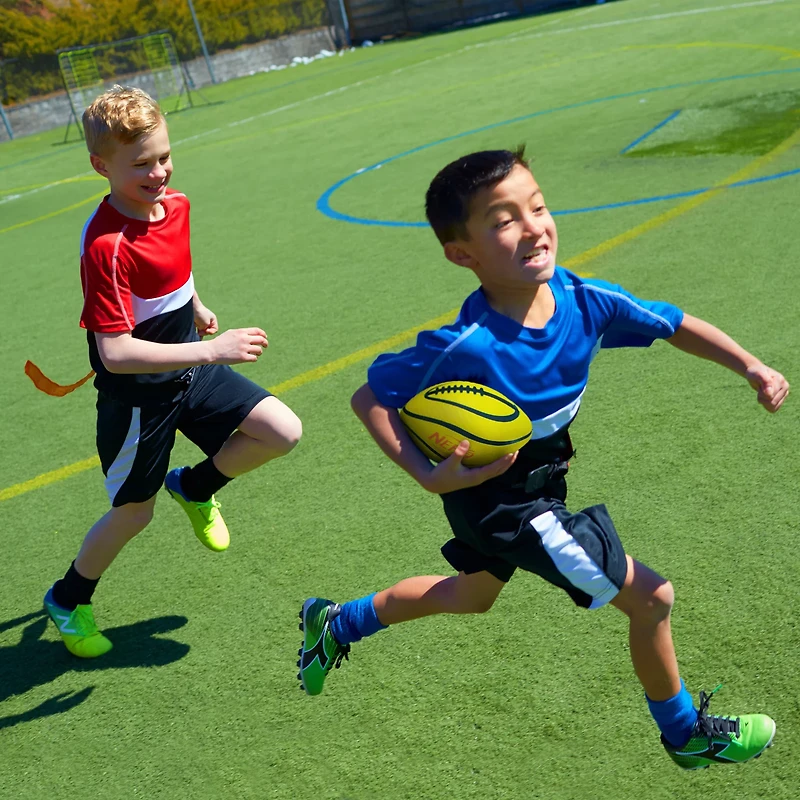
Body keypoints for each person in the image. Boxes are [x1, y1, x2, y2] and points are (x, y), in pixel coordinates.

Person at [298, 148, 789, 770]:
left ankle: (336, 624)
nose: (533, 226)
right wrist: (425, 473)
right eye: (504, 220)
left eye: (538, 207)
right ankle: (685, 732)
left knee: (472, 596)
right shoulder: (463, 347)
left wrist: (751, 366)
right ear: (462, 254)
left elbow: (671, 323)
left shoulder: (584, 300)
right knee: (652, 599)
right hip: (507, 506)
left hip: (535, 488)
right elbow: (370, 394)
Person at [44, 86, 302, 658]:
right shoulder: (105, 246)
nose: (158, 172)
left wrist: (197, 307)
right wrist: (215, 349)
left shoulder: (176, 205)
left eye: (163, 156)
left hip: (187, 367)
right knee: (134, 512)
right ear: (99, 166)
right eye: (140, 164)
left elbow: (174, 272)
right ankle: (68, 597)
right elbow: (115, 352)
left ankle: (196, 485)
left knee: (282, 431)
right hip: (140, 398)